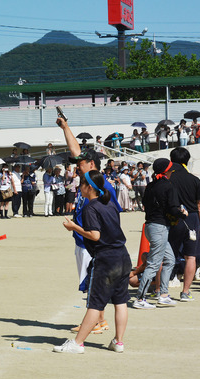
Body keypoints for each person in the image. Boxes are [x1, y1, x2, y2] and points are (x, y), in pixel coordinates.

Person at [57, 116, 122, 334]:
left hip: (93, 241)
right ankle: (99, 319)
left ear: (91, 164)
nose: (76, 165)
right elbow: (77, 152)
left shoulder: (101, 185)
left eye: (81, 163)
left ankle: (97, 320)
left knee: (94, 284)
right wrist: (65, 127)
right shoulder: (91, 183)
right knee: (91, 282)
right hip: (85, 239)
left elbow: (111, 216)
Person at [57, 171, 130, 353]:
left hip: (106, 259)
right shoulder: (110, 203)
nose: (78, 188)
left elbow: (95, 235)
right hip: (122, 255)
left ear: (89, 187)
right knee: (120, 301)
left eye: (81, 185)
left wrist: (74, 228)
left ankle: (78, 343)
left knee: (95, 303)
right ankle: (118, 342)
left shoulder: (91, 207)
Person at [133, 159, 187, 309]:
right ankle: (140, 298)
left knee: (169, 260)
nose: (171, 172)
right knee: (154, 264)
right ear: (166, 171)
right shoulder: (168, 186)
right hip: (159, 227)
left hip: (150, 226)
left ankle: (163, 295)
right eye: (170, 170)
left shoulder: (151, 185)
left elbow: (145, 203)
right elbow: (173, 209)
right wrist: (183, 214)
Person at [167, 147, 200, 302]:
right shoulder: (194, 180)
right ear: (187, 161)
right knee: (191, 257)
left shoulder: (168, 178)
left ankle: (160, 290)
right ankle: (185, 292)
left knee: (166, 256)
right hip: (192, 219)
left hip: (172, 218)